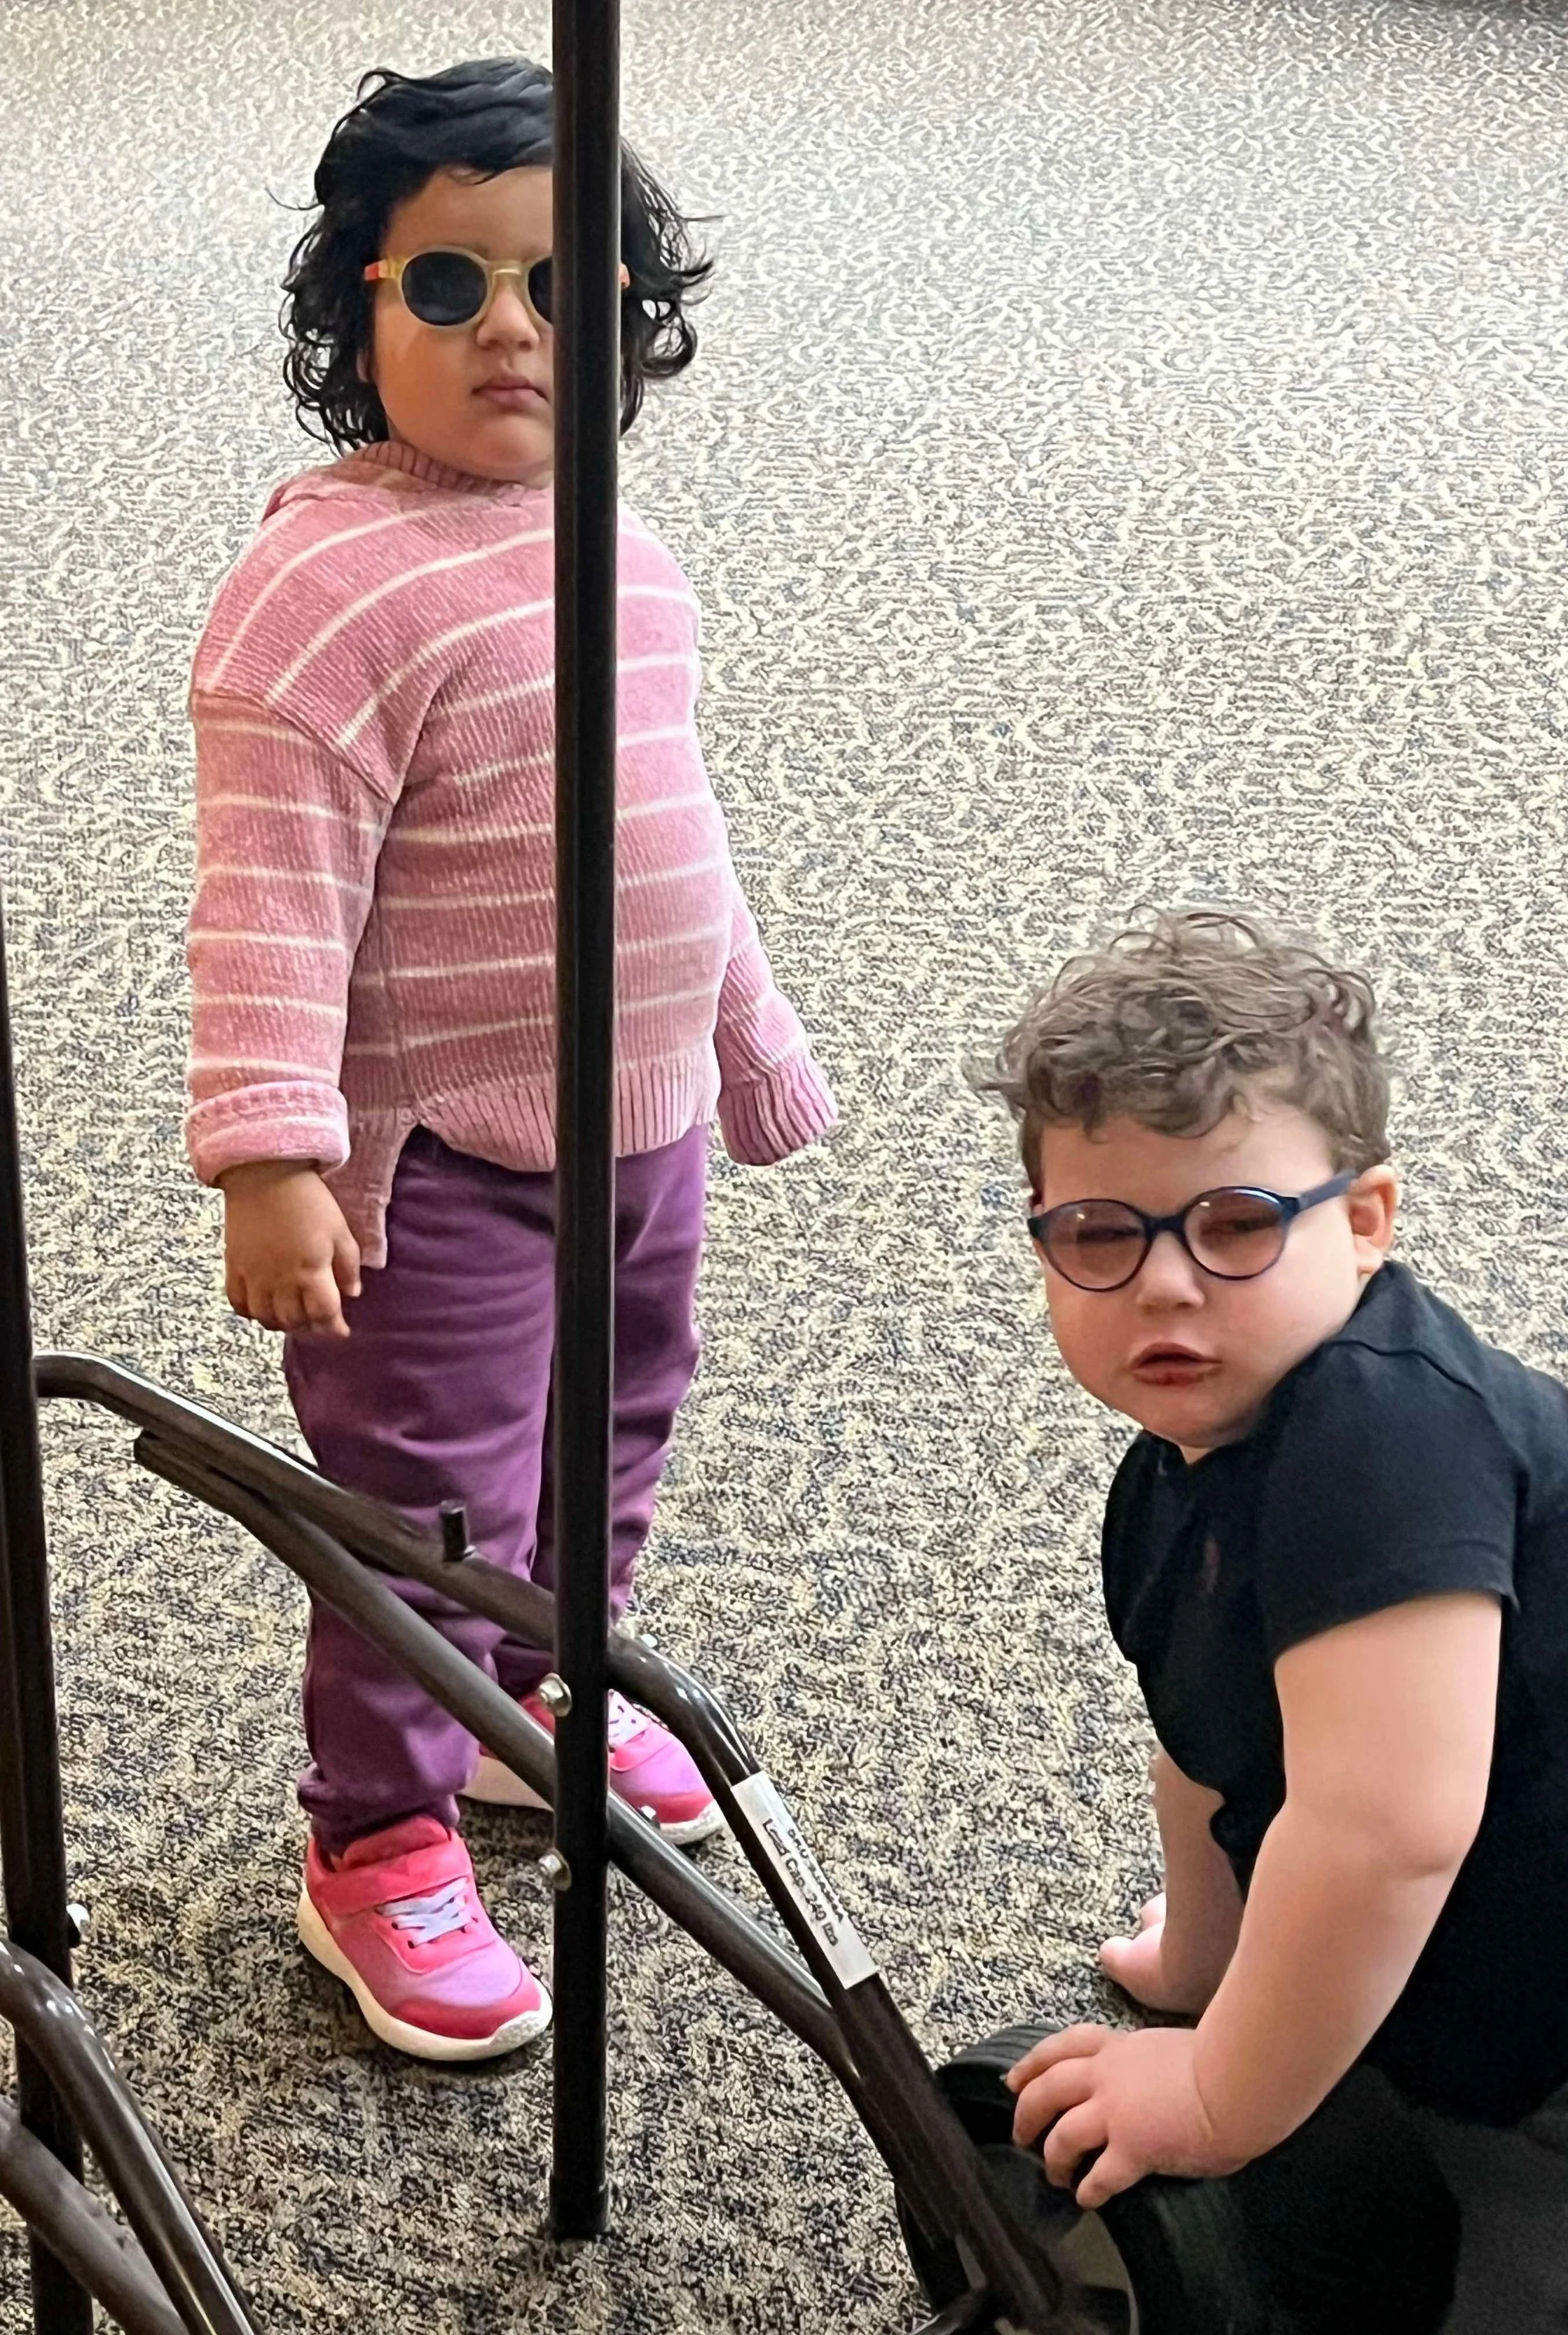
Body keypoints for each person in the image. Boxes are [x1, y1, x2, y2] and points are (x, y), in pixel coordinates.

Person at [184, 58, 834, 2062]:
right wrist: (271, 1154)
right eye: (448, 287)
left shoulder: (622, 544)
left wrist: (743, 1031)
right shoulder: (323, 590)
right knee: (434, 1500)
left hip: (638, 1123)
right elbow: (271, 898)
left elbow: (670, 825)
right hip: (437, 1154)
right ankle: (376, 1830)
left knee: (615, 1430)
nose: (514, 334)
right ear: (352, 313)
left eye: (568, 288)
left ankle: (537, 1695)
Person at [972, 909, 1568, 2331]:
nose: (1161, 1277)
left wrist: (1212, 2088)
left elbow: (1382, 1829)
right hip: (1476, 1983)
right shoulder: (1173, 1480)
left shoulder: (1384, 1442)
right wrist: (1202, 1969)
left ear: (1365, 1223)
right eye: (1097, 1232)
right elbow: (1209, 1748)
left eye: (1229, 1225)